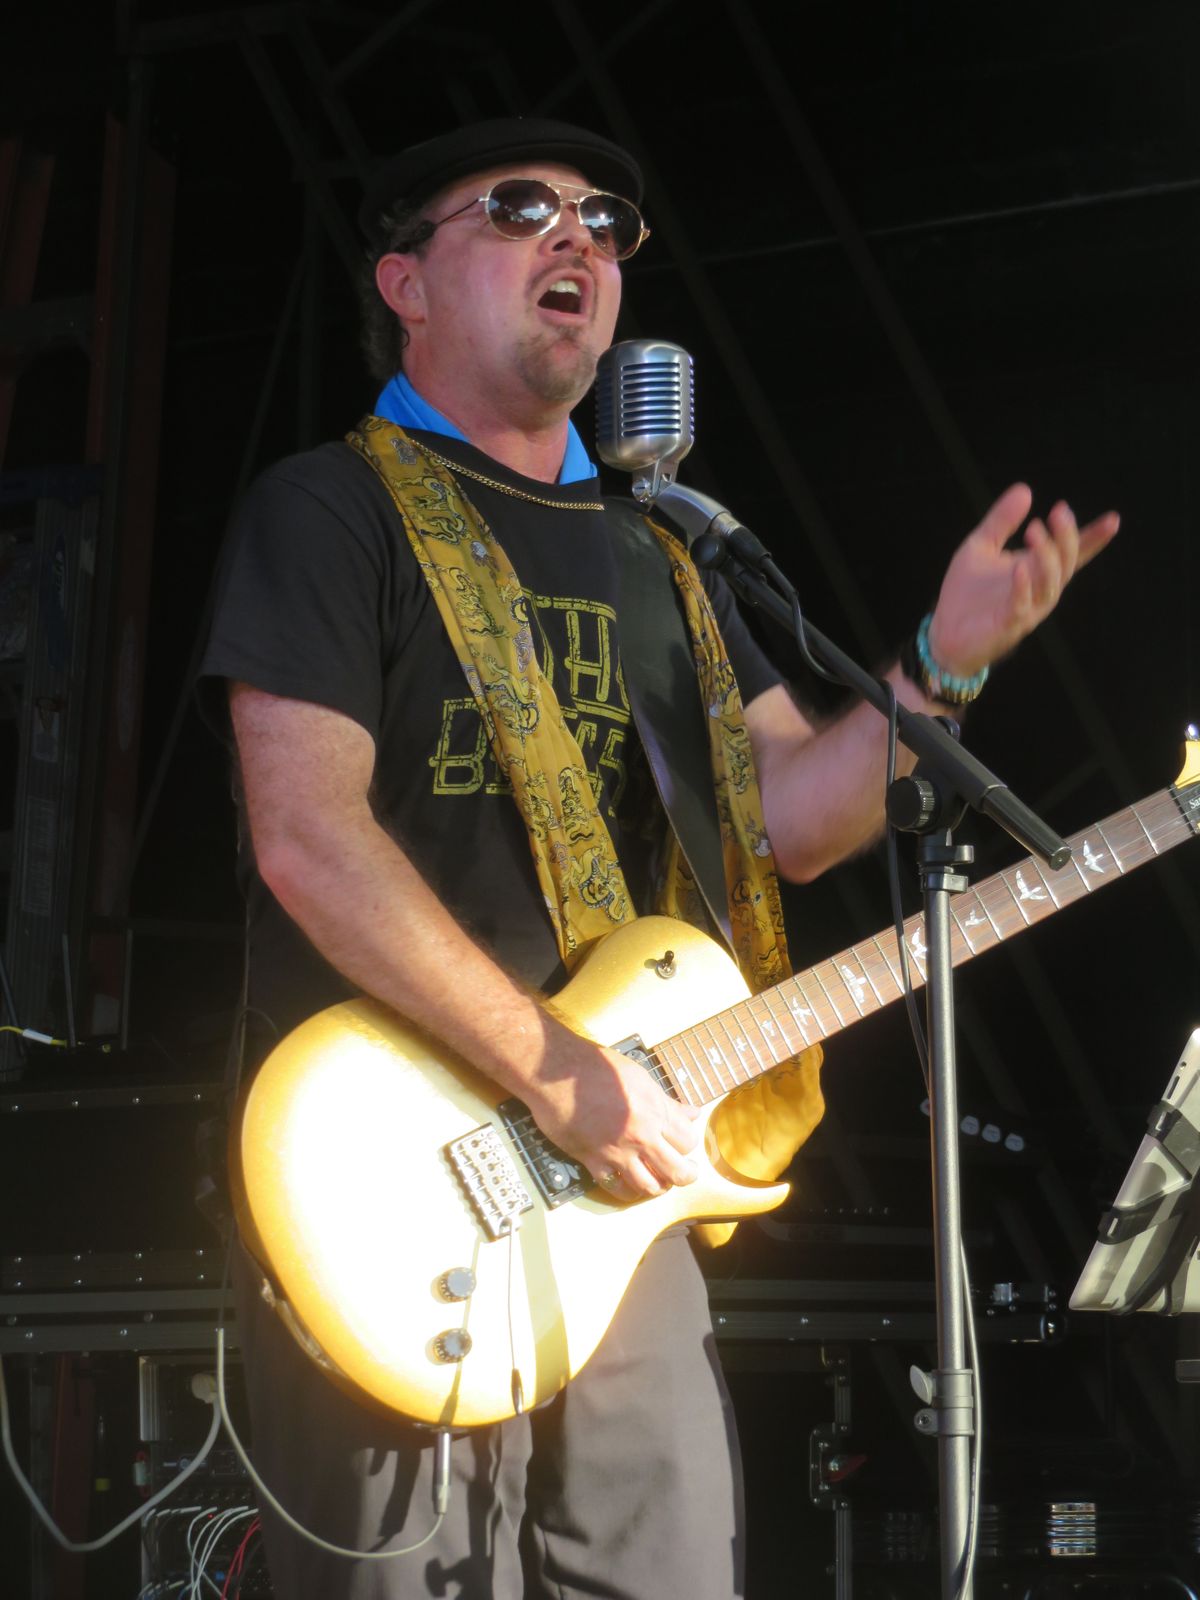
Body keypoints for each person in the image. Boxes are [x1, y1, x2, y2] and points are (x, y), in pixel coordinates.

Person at [199, 117, 1117, 1599]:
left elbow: (795, 815)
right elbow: (308, 838)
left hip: (617, 1176)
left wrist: (943, 664)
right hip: (399, 1169)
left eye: (604, 220)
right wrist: (557, 1069)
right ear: (406, 283)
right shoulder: (327, 509)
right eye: (519, 208)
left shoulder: (664, 552)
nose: (577, 235)